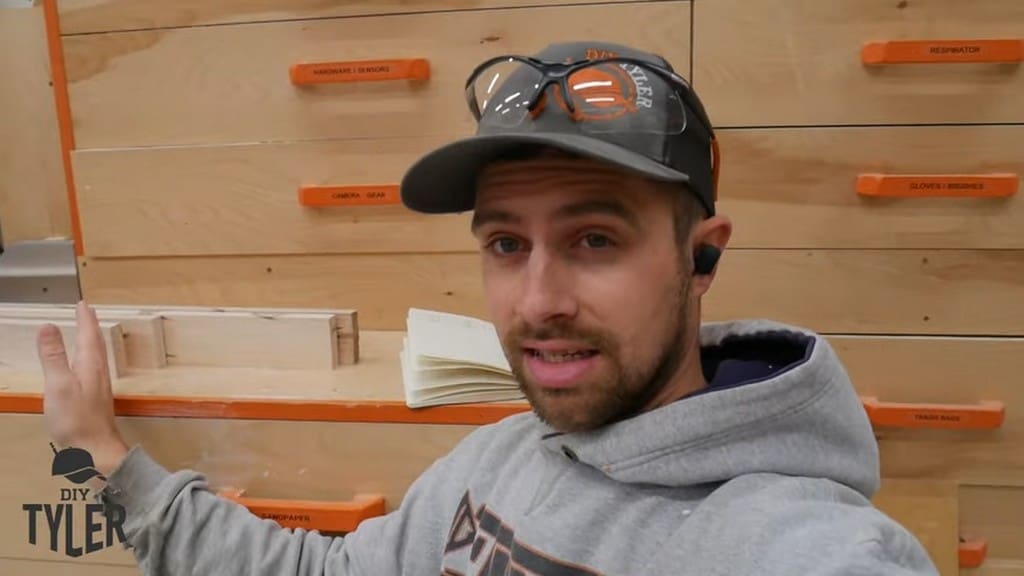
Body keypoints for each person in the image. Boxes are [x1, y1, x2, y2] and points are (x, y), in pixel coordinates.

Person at [35, 41, 938, 575]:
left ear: (701, 258)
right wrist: (104, 457)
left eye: (595, 240)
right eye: (506, 244)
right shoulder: (503, 454)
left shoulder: (789, 543)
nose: (537, 302)